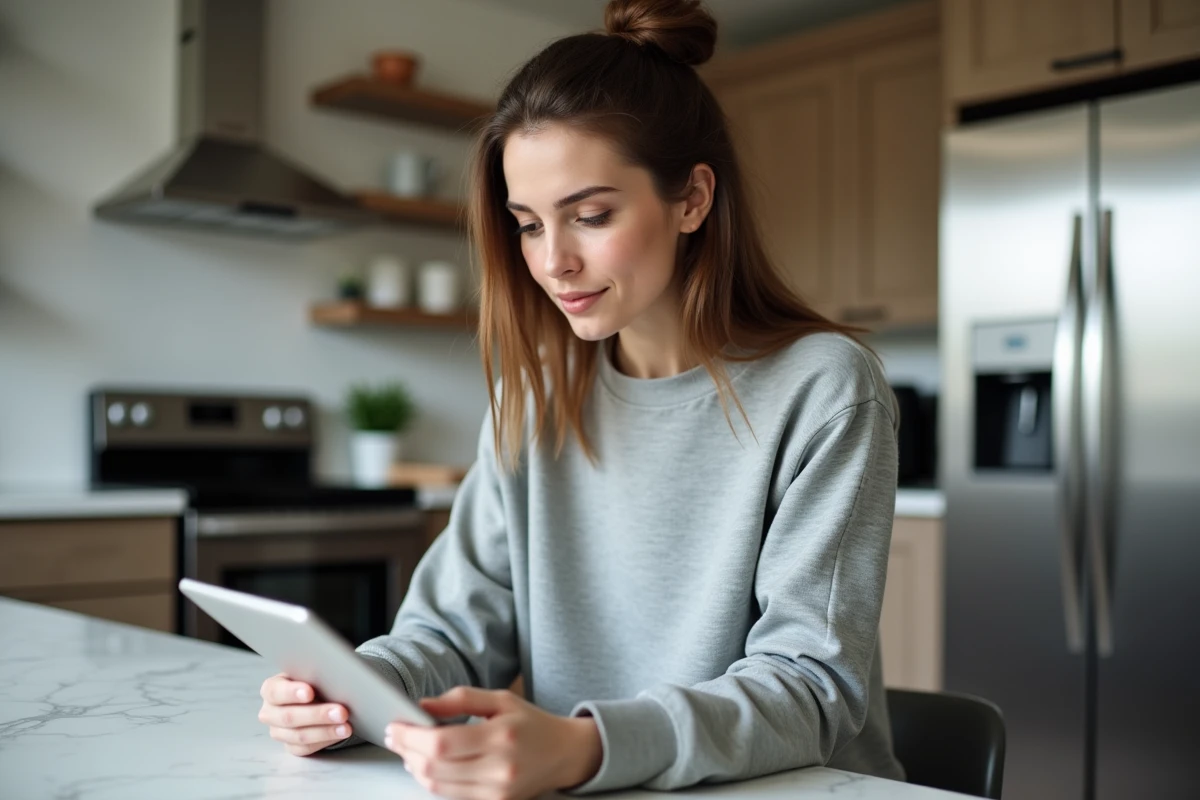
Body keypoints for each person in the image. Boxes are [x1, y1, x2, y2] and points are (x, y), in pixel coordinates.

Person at [256, 0, 906, 797]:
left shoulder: (824, 387)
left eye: (590, 215)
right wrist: (352, 689)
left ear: (693, 199)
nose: (554, 260)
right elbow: (454, 629)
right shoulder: (535, 396)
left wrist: (589, 748)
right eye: (527, 224)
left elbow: (810, 691)